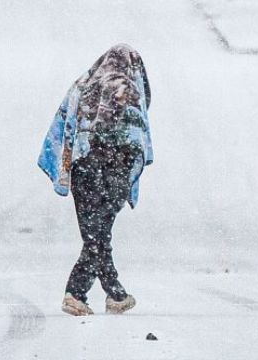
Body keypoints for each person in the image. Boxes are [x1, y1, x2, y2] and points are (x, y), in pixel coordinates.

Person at [37, 44, 154, 316]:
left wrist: (72, 158)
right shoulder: (129, 90)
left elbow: (63, 123)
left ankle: (98, 294)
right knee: (98, 235)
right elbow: (136, 135)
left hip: (82, 168)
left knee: (95, 235)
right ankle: (98, 293)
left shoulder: (82, 85)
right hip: (115, 168)